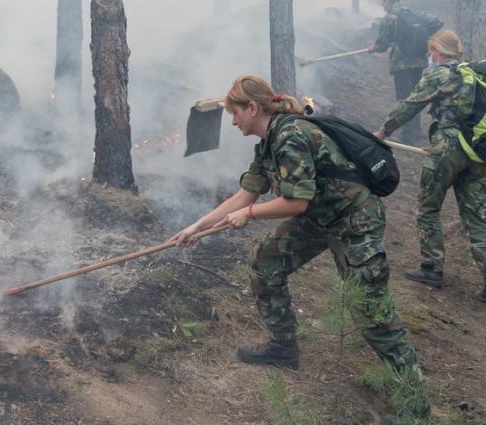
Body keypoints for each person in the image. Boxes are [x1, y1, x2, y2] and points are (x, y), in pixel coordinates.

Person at [171, 75, 430, 422]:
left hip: (354, 222)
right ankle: (283, 346)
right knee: (265, 261)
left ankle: (416, 408)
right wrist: (195, 227)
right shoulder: (267, 142)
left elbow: (294, 203)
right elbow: (244, 195)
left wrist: (248, 215)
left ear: (252, 108)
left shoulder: (291, 136)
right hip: (321, 218)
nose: (232, 122)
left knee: (372, 312)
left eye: (235, 114)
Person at [373, 30, 486, 305]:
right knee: (476, 217)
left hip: (447, 150)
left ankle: (431, 269)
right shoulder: (476, 76)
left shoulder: (440, 74)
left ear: (437, 50)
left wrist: (383, 131)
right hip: (478, 152)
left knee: (428, 209)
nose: (429, 57)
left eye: (430, 52)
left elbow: (411, 105)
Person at [369, 0, 442, 147]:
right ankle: (415, 130)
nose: (381, 5)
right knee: (415, 96)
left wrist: (373, 48)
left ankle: (409, 135)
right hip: (419, 60)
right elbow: (437, 22)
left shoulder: (390, 18)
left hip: (401, 63)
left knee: (404, 99)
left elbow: (382, 44)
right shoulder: (414, 13)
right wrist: (423, 39)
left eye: (383, 2)